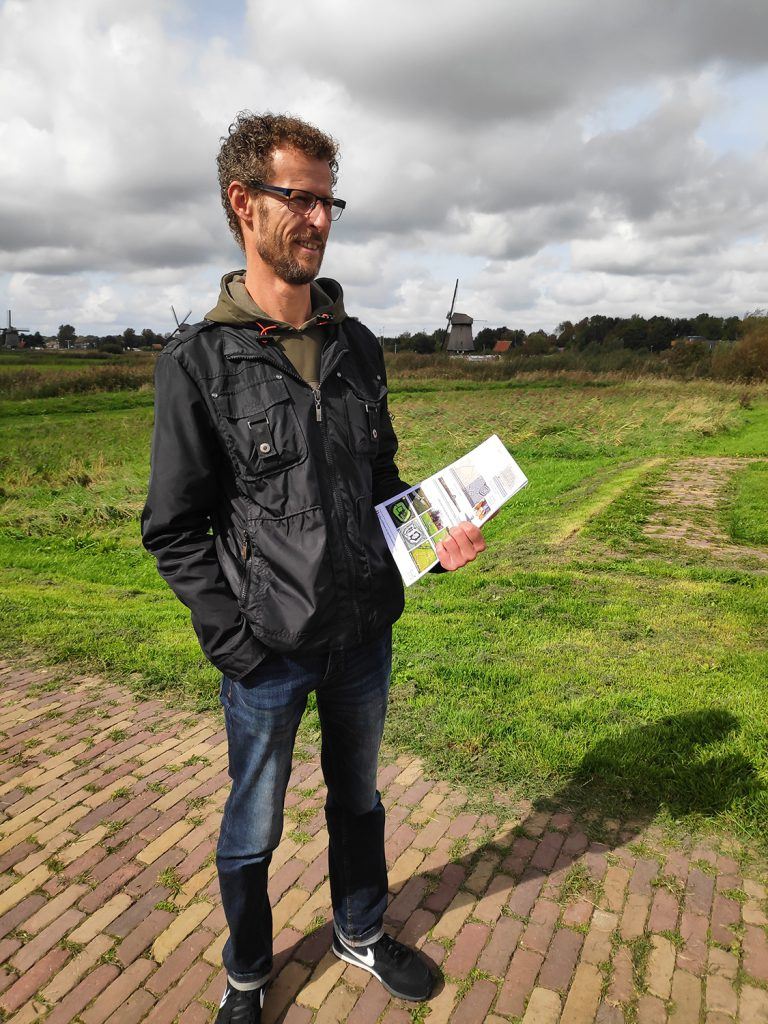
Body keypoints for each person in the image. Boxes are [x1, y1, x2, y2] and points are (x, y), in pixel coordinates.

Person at [141, 111, 486, 1024]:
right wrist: (236, 643)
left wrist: (432, 543)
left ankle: (359, 930)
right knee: (253, 825)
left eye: (329, 199)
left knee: (359, 799)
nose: (320, 218)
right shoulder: (199, 362)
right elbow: (173, 528)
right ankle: (248, 973)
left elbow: (379, 484)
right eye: (299, 198)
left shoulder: (357, 345)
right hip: (269, 649)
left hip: (363, 633)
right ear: (242, 203)